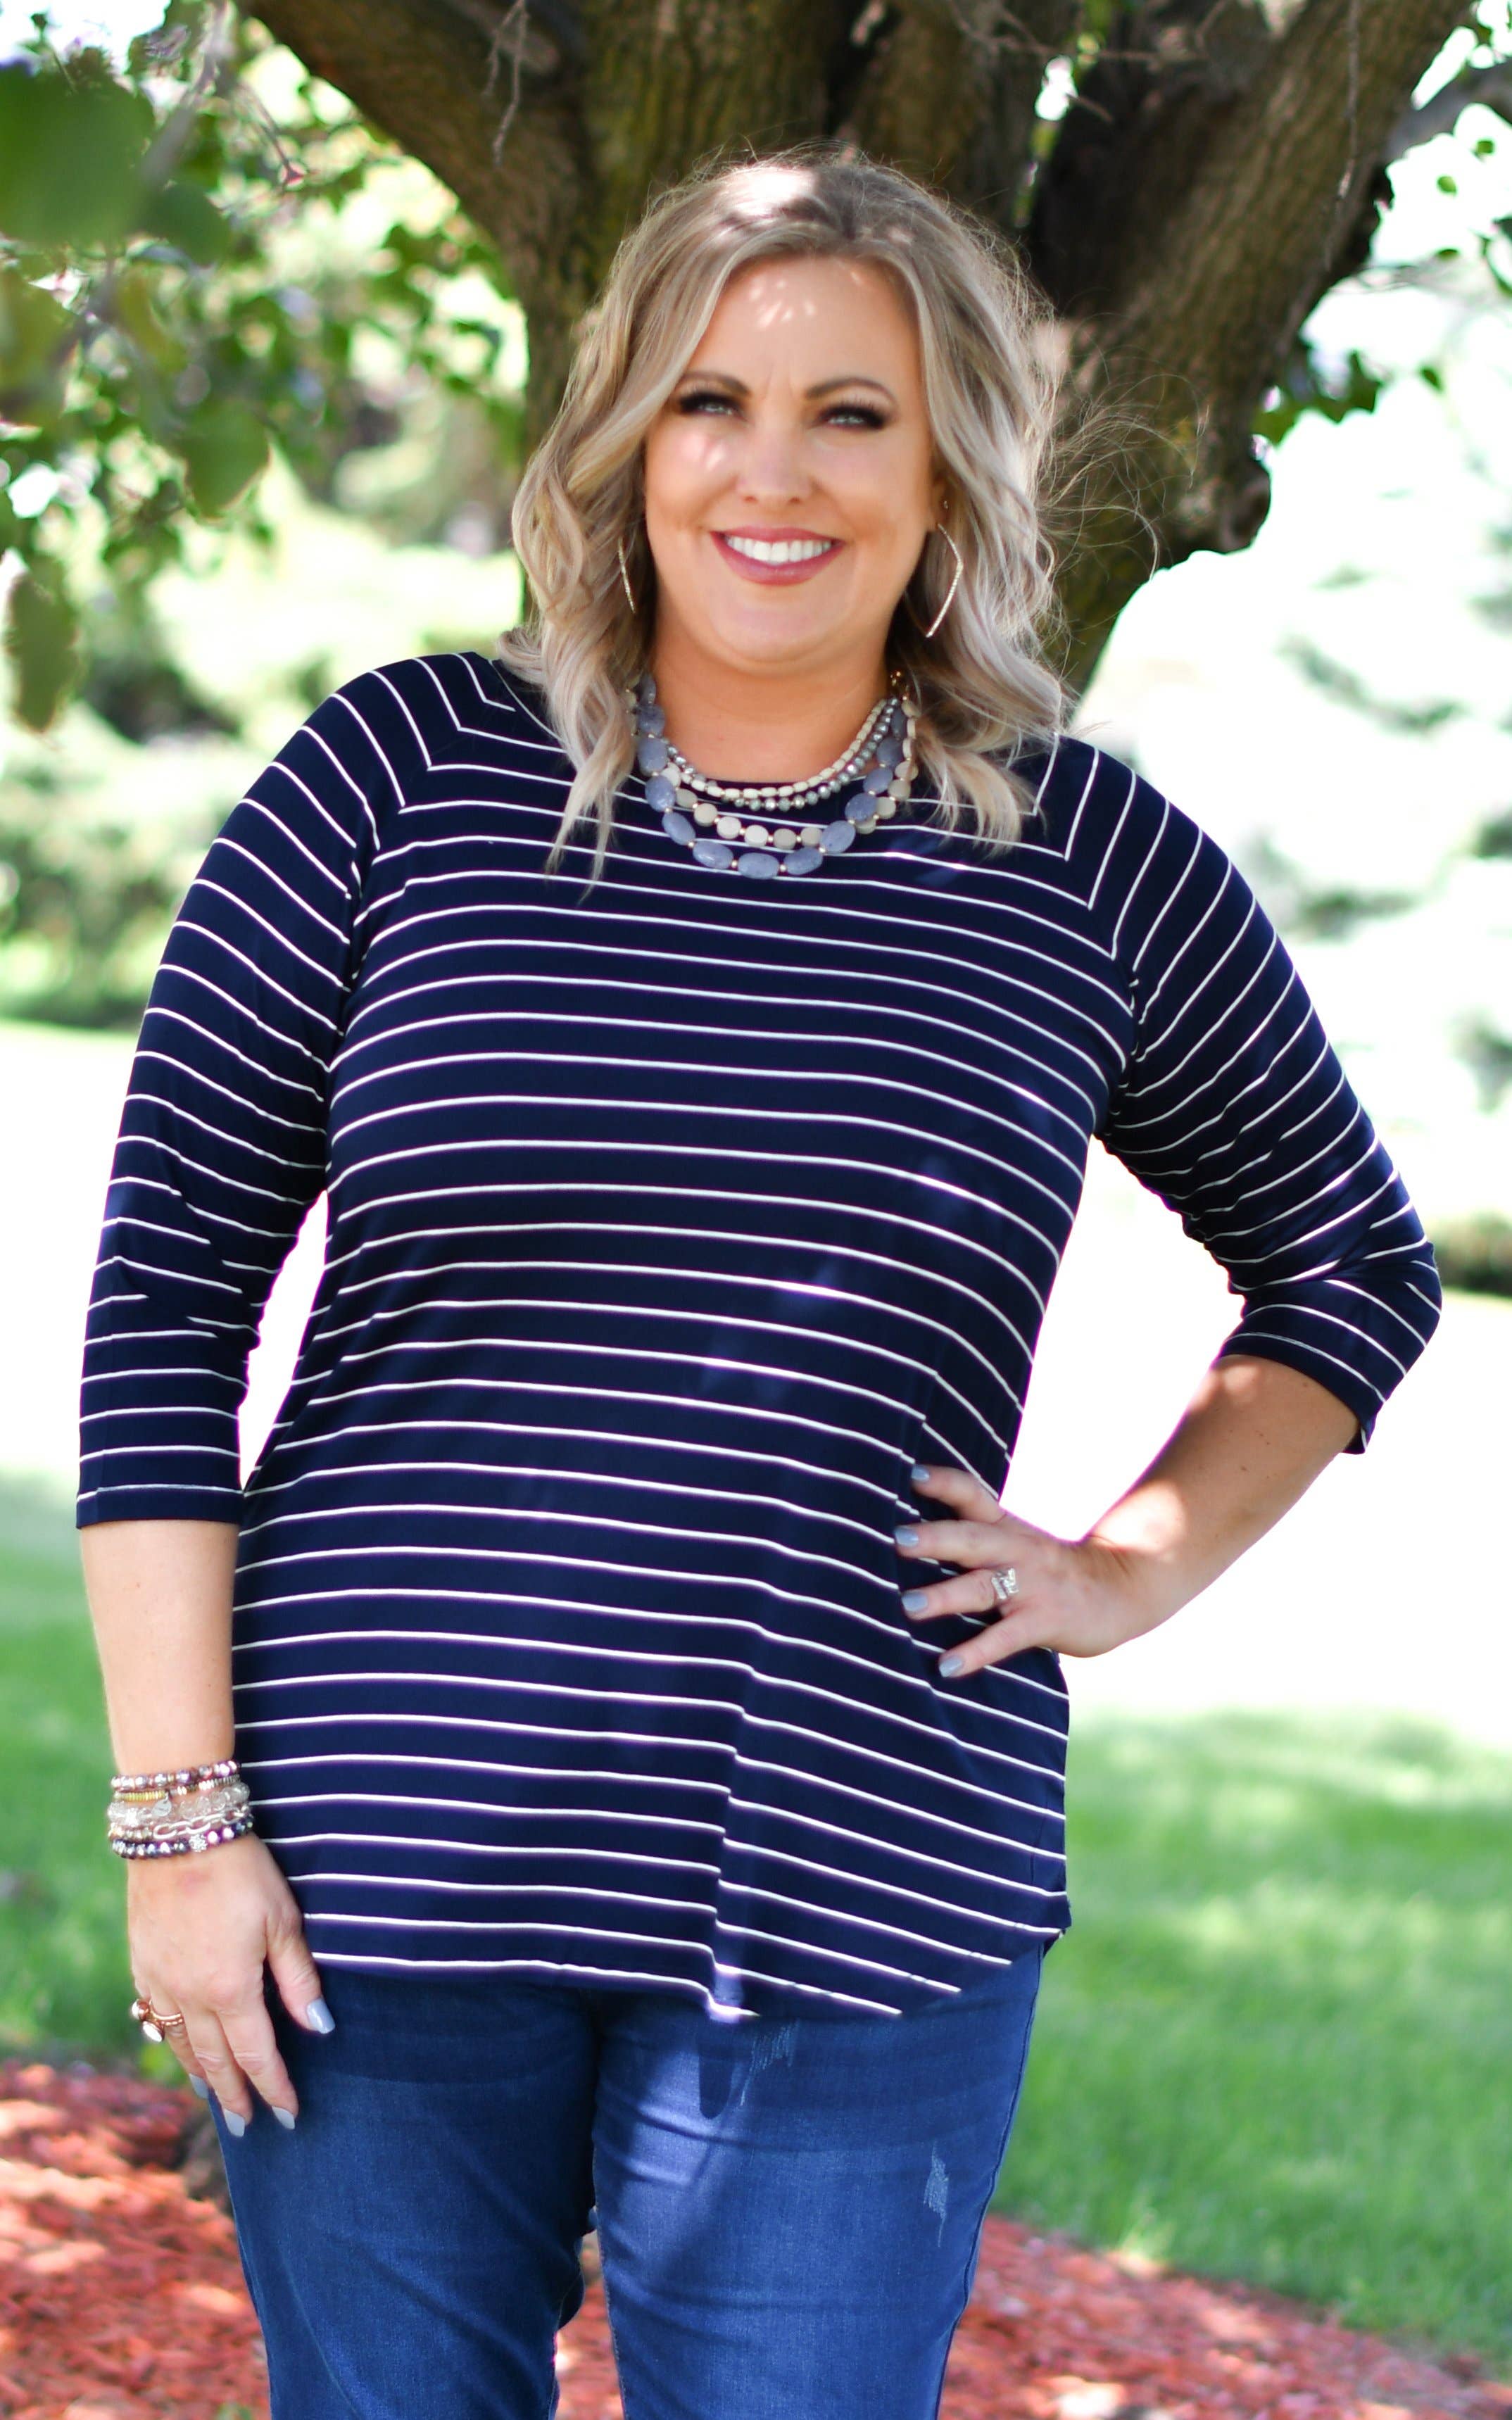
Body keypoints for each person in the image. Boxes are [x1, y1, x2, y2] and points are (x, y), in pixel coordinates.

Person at [76, 144, 1440, 2420]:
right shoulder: (394, 782)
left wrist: (1126, 1567)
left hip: (857, 1874)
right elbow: (162, 1305)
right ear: (626, 441)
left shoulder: (1083, 863)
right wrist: (181, 1824)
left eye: (850, 415)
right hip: (372, 1871)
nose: (768, 474)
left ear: (949, 472)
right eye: (709, 402)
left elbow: (1346, 1259)